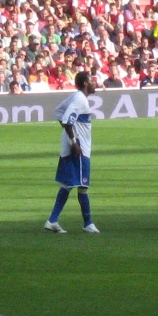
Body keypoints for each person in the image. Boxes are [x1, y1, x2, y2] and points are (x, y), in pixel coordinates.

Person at [44, 71, 100, 233]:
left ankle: (57, 220)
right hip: (79, 148)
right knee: (79, 184)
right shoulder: (80, 99)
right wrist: (74, 141)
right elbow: (68, 120)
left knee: (73, 184)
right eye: (91, 81)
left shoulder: (76, 97)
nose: (94, 83)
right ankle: (84, 223)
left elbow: (59, 112)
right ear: (84, 83)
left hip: (78, 146)